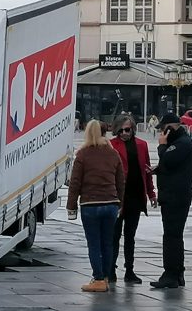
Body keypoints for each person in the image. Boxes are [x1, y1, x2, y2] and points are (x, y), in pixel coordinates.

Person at [66, 120, 125, 293]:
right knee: (108, 243)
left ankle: (98, 279)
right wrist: (119, 202)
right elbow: (120, 181)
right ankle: (106, 277)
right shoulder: (113, 154)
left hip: (90, 204)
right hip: (110, 204)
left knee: (94, 244)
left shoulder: (83, 155)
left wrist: (71, 206)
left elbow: (75, 182)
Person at [108, 115, 157, 285]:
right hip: (117, 197)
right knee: (114, 235)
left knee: (130, 235)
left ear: (133, 128)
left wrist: (151, 194)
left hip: (136, 196)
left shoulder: (142, 145)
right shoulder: (112, 145)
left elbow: (147, 171)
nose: (124, 133)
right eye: (120, 130)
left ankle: (129, 270)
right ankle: (110, 269)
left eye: (127, 129)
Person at [150, 113, 192, 289]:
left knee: (172, 236)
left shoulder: (182, 143)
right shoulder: (178, 143)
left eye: (163, 128)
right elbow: (171, 166)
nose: (161, 132)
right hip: (172, 194)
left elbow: (169, 159)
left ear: (171, 127)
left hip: (176, 196)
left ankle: (171, 274)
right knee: (173, 236)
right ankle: (176, 273)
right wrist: (159, 170)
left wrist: (161, 147)